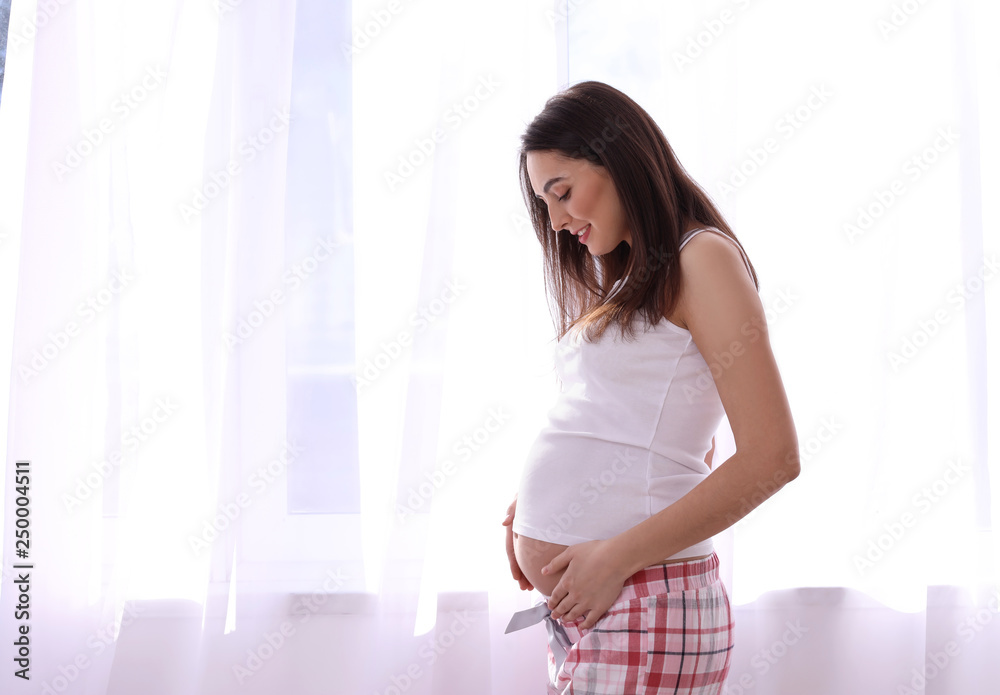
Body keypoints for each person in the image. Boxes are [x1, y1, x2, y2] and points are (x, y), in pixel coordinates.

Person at [501, 80, 800, 694]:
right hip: (603, 601)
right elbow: (667, 436)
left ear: (620, 159)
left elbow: (773, 457)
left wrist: (614, 554)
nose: (556, 221)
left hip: (643, 599)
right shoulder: (635, 274)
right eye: (544, 203)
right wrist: (533, 510)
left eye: (562, 193)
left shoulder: (702, 258)